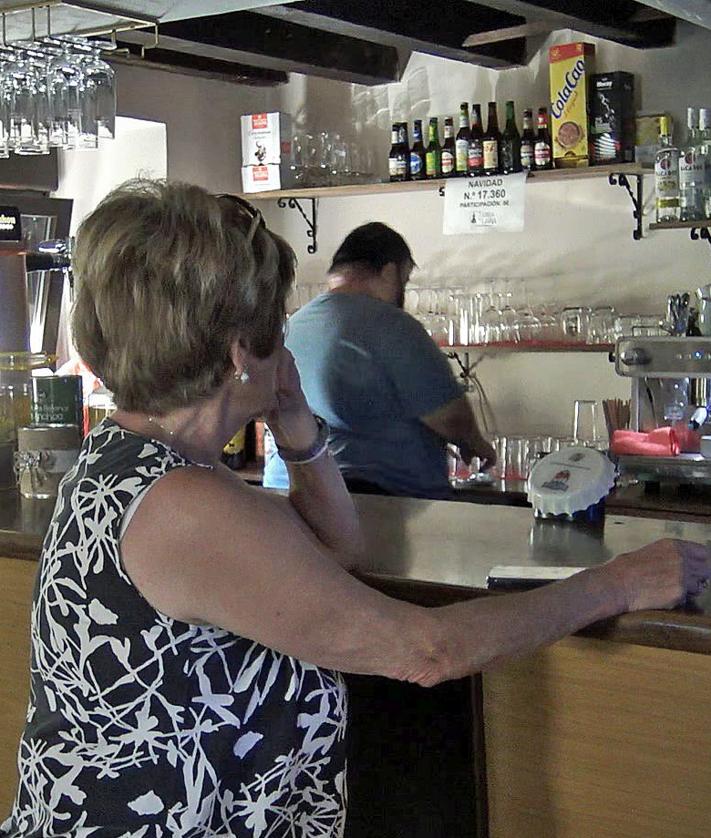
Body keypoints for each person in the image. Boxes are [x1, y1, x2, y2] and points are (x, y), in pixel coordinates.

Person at [2, 180, 709, 838]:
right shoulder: (189, 505)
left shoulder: (126, 461)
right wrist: (621, 582)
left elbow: (336, 549)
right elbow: (428, 651)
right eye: (274, 323)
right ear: (240, 351)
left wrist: (296, 424)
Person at [262, 222, 496, 499]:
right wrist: (476, 443)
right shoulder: (392, 325)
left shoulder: (294, 324)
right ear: (390, 271)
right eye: (405, 280)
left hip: (290, 490)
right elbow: (450, 416)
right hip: (376, 499)